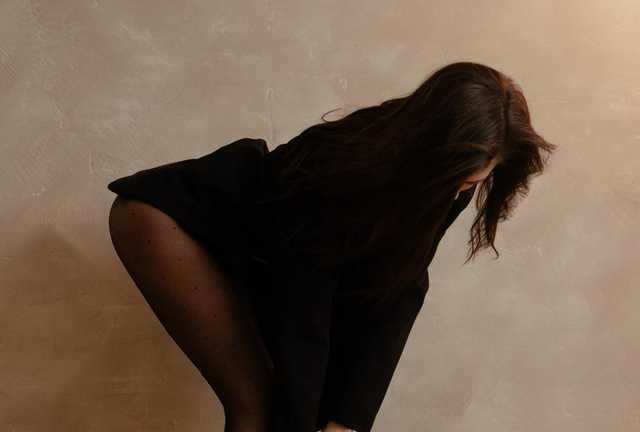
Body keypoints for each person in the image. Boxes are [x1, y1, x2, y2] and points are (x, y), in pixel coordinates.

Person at [106, 61, 557, 432]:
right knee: (262, 411)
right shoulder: (342, 165)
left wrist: (347, 423)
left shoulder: (445, 182)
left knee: (293, 412)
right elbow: (302, 308)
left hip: (259, 256)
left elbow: (402, 289)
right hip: (167, 222)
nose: (466, 186)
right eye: (461, 175)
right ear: (432, 144)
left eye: (477, 177)